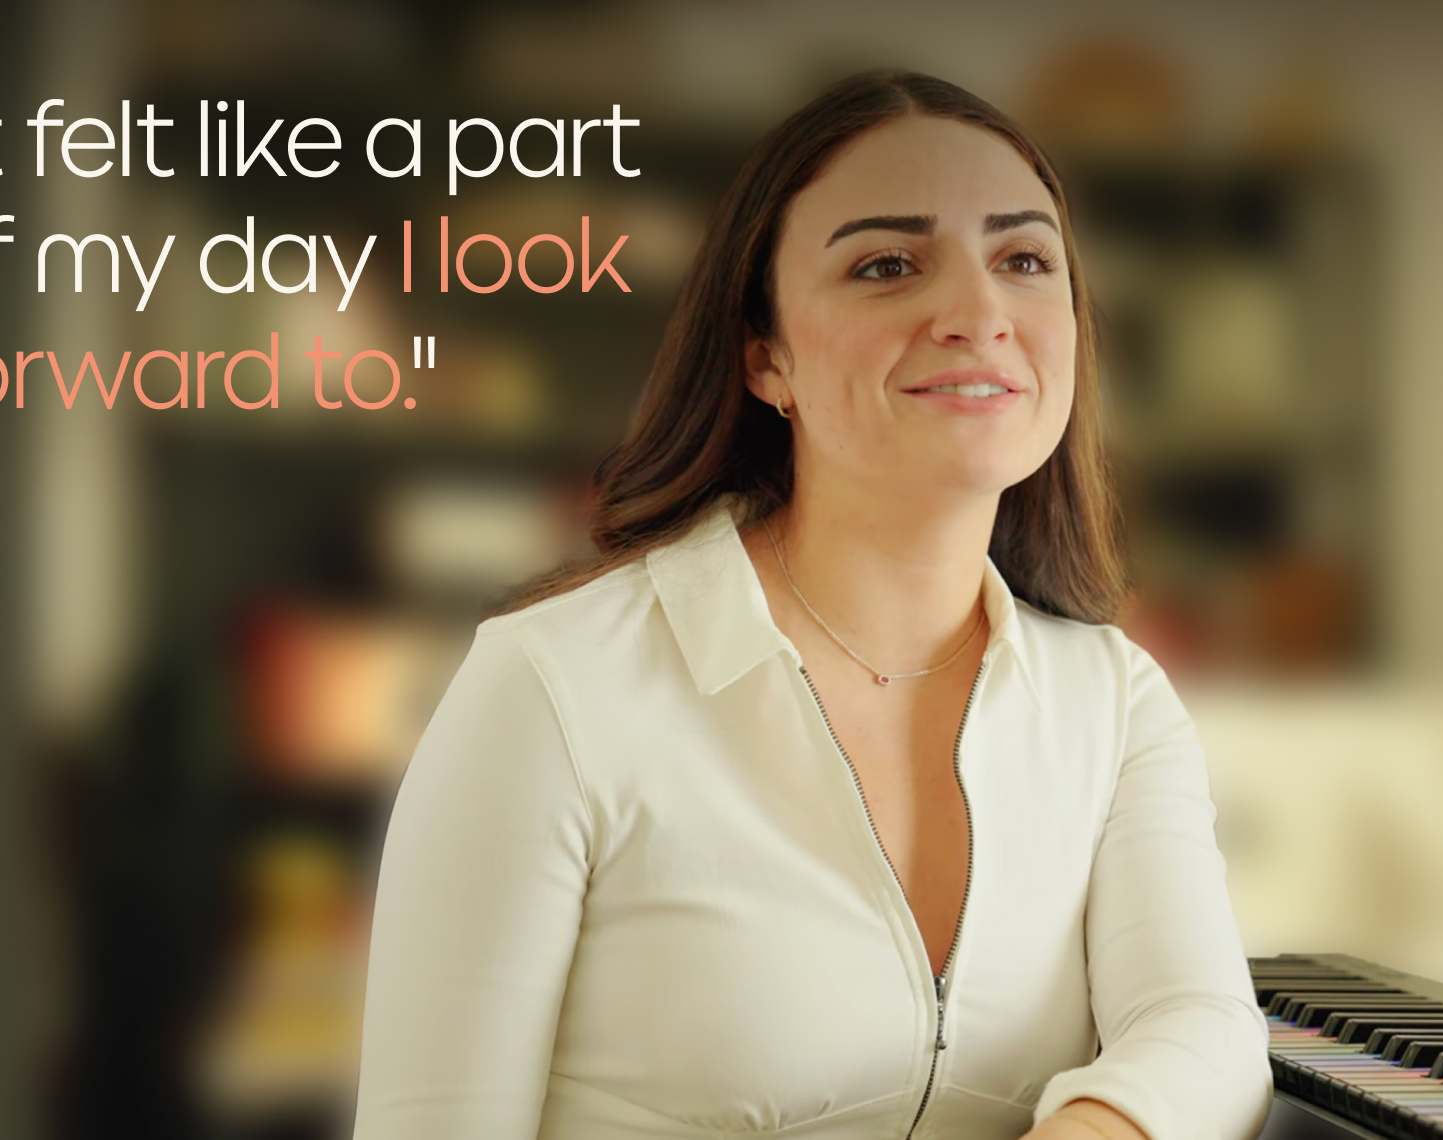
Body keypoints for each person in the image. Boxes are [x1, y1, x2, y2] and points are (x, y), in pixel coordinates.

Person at [351, 70, 1271, 1140]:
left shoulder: (1111, 705)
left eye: (1023, 260)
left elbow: (1203, 1029)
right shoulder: (552, 689)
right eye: (886, 265)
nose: (978, 313)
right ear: (764, 356)